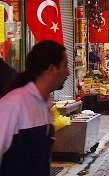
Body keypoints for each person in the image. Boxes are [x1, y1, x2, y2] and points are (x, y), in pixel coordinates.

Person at [0, 40, 69, 176]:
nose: (68, 72)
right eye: (65, 66)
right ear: (51, 69)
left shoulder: (45, 104)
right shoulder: (13, 104)